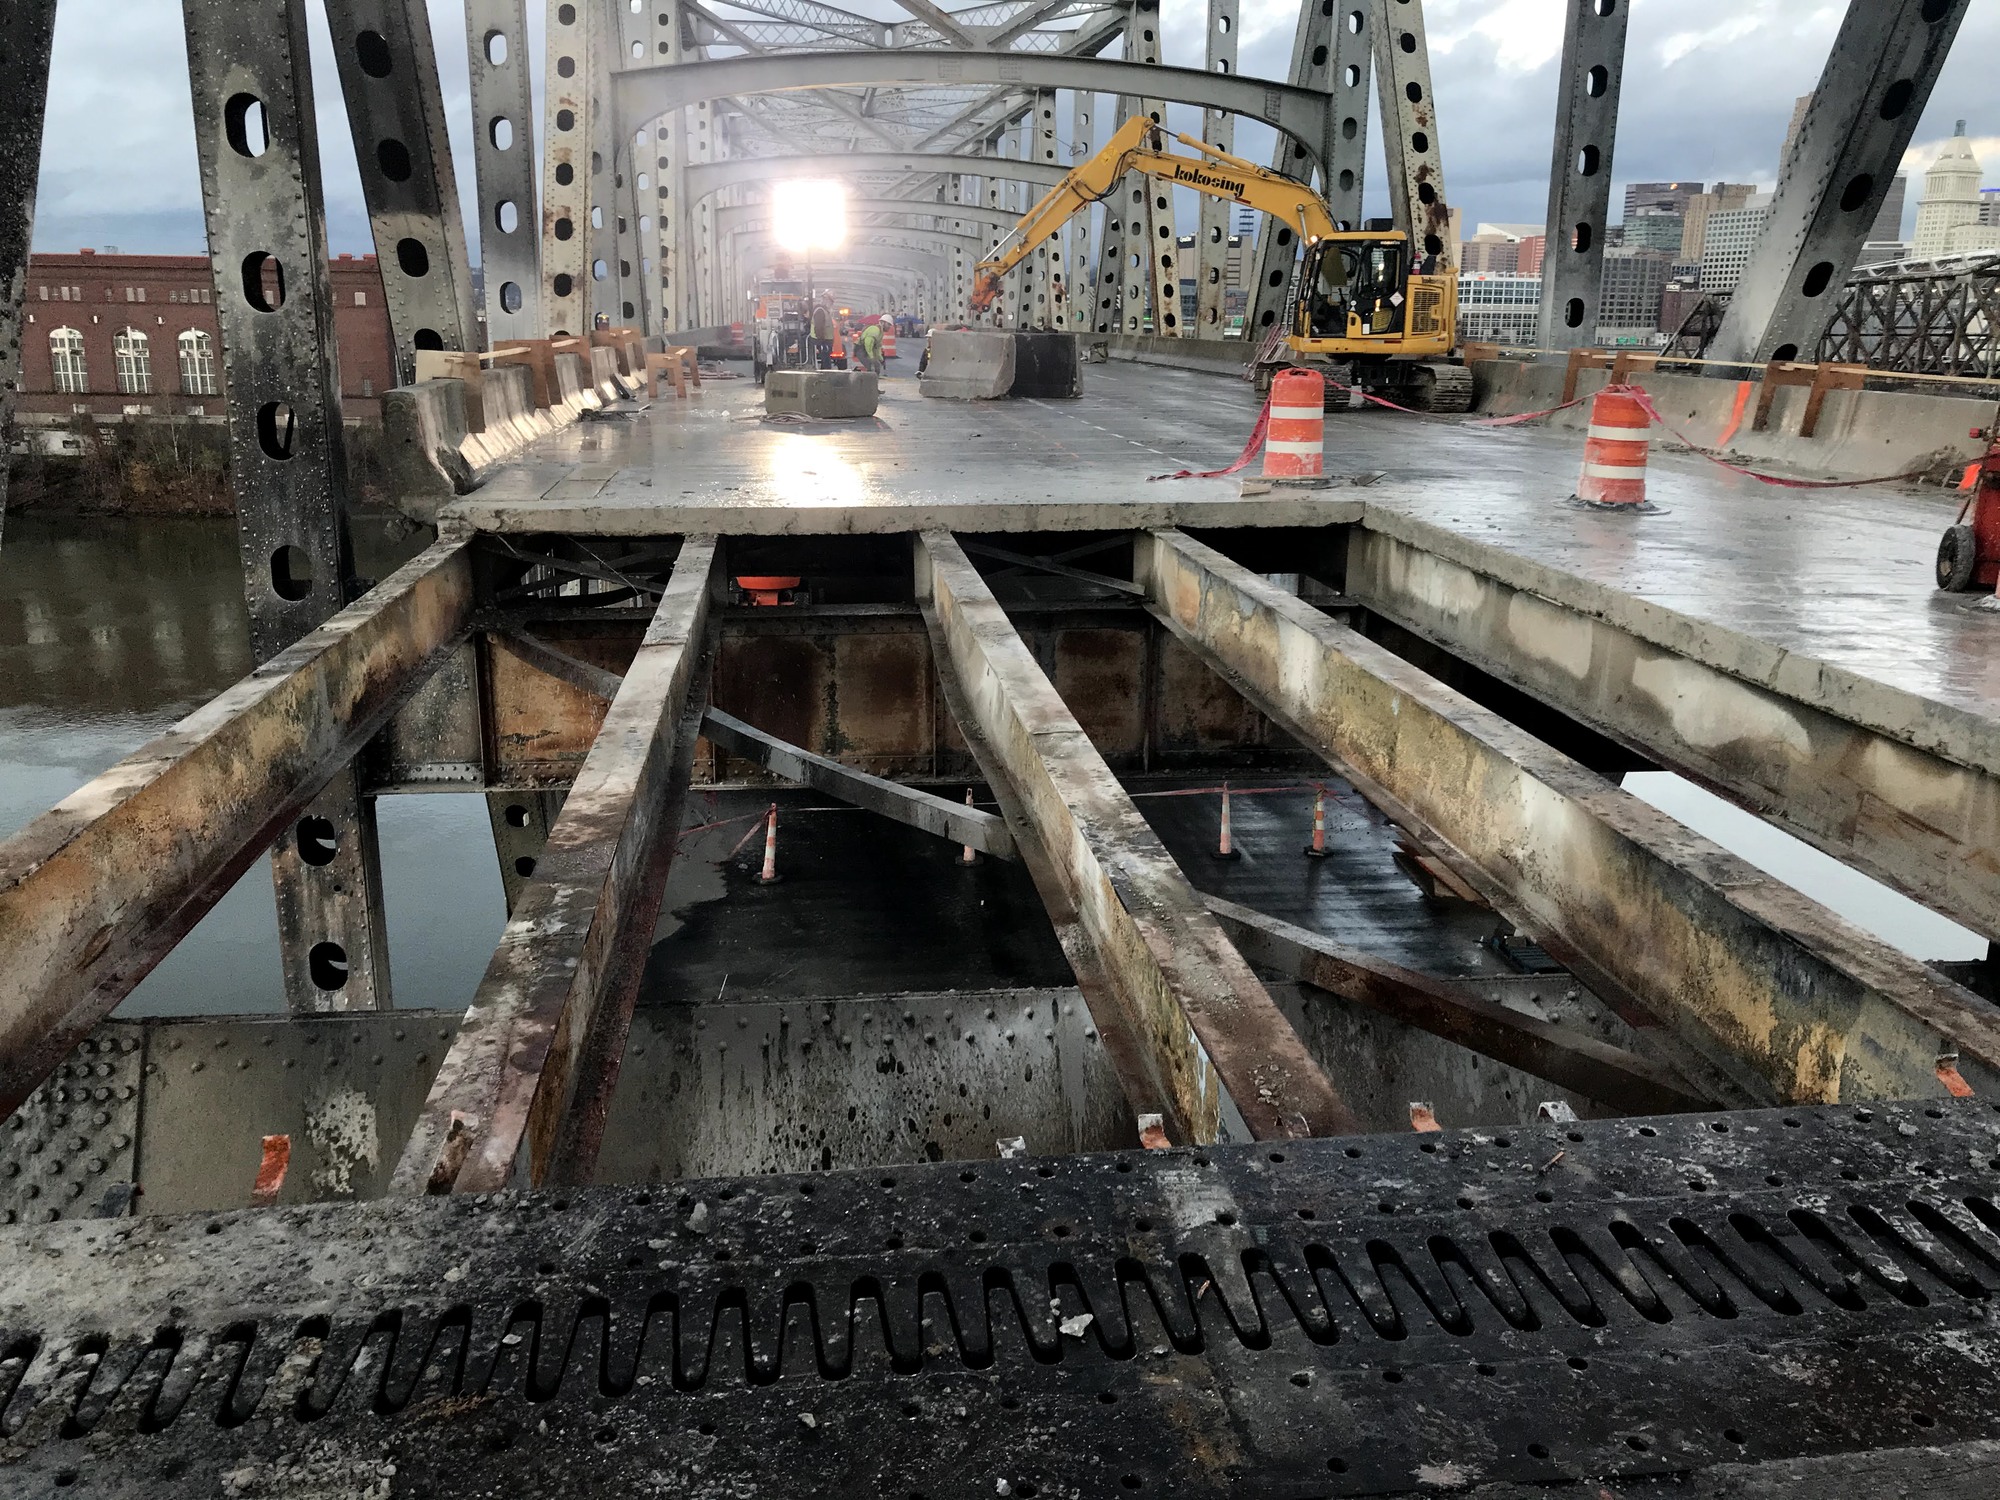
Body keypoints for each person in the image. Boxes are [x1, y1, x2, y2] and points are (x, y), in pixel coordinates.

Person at [809, 298, 835, 368]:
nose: (831, 304)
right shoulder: (820, 311)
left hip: (824, 341)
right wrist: (821, 342)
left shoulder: (824, 311)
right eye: (831, 302)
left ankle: (824, 375)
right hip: (822, 341)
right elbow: (819, 327)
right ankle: (825, 376)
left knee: (826, 361)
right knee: (826, 362)